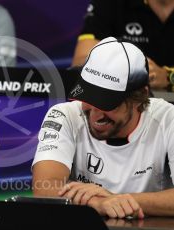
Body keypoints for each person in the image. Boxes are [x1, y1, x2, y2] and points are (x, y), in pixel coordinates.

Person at [32, 37, 174, 218]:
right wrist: (98, 203)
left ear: (140, 96)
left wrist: (117, 199)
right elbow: (44, 189)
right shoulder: (64, 115)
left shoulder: (168, 119)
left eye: (106, 102)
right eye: (88, 97)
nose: (94, 113)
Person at [71, 0, 174, 91]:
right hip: (129, 102)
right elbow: (80, 62)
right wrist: (128, 68)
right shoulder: (110, 3)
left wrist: (169, 77)